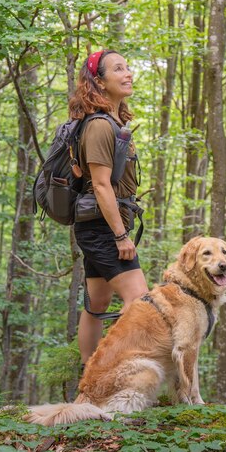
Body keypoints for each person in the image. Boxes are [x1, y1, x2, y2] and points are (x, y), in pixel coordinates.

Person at [68, 49, 148, 367]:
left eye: (128, 67)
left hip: (99, 224)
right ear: (99, 82)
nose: (128, 73)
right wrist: (120, 236)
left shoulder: (114, 122)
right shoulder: (100, 126)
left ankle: (89, 382)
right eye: (118, 69)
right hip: (103, 227)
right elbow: (101, 185)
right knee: (139, 301)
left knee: (97, 304)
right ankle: (117, 374)